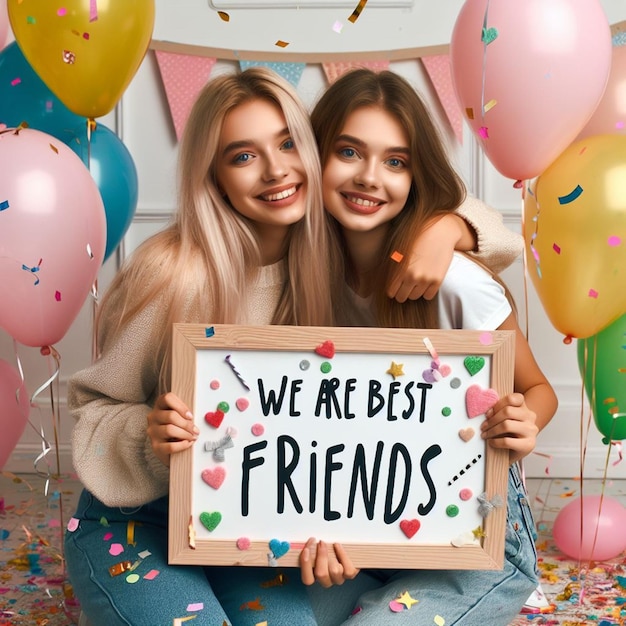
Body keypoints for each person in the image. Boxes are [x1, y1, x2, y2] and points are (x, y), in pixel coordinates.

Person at [64, 67, 524, 626]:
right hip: (137, 519)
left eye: (287, 144)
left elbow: (472, 223)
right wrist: (148, 435)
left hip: (242, 527)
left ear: (315, 152)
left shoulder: (327, 259)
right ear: (215, 176)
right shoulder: (172, 273)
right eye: (243, 156)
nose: (277, 169)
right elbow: (93, 414)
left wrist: (448, 227)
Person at [298, 68, 558, 625]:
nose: (370, 177)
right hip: (361, 536)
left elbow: (537, 390)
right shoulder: (295, 277)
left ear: (417, 177)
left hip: (476, 545)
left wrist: (522, 424)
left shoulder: (459, 283)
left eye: (395, 161)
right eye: (348, 151)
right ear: (313, 156)